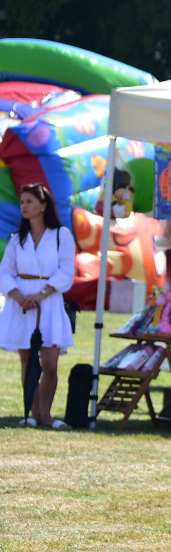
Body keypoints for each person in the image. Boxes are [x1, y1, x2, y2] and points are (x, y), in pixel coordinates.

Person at [0, 183, 75, 430]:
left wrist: (41, 295)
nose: (24, 206)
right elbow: (5, 272)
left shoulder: (61, 235)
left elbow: (66, 270)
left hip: (49, 303)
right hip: (21, 305)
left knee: (50, 364)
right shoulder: (16, 239)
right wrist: (19, 295)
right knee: (27, 361)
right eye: (22, 202)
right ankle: (31, 414)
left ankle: (46, 414)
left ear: (43, 206)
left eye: (29, 201)